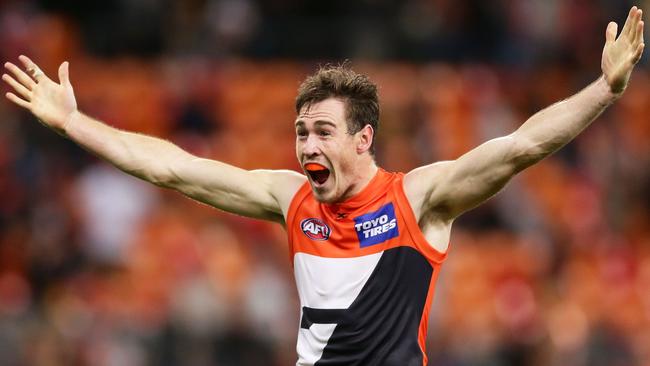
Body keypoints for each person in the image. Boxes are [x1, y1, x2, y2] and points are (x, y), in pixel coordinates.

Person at [2, 6, 644, 366]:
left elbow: (523, 145)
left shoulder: (418, 198)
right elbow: (169, 167)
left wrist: (605, 89)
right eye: (301, 132)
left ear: (362, 139)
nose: (307, 145)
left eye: (323, 133)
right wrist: (75, 123)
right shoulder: (291, 198)